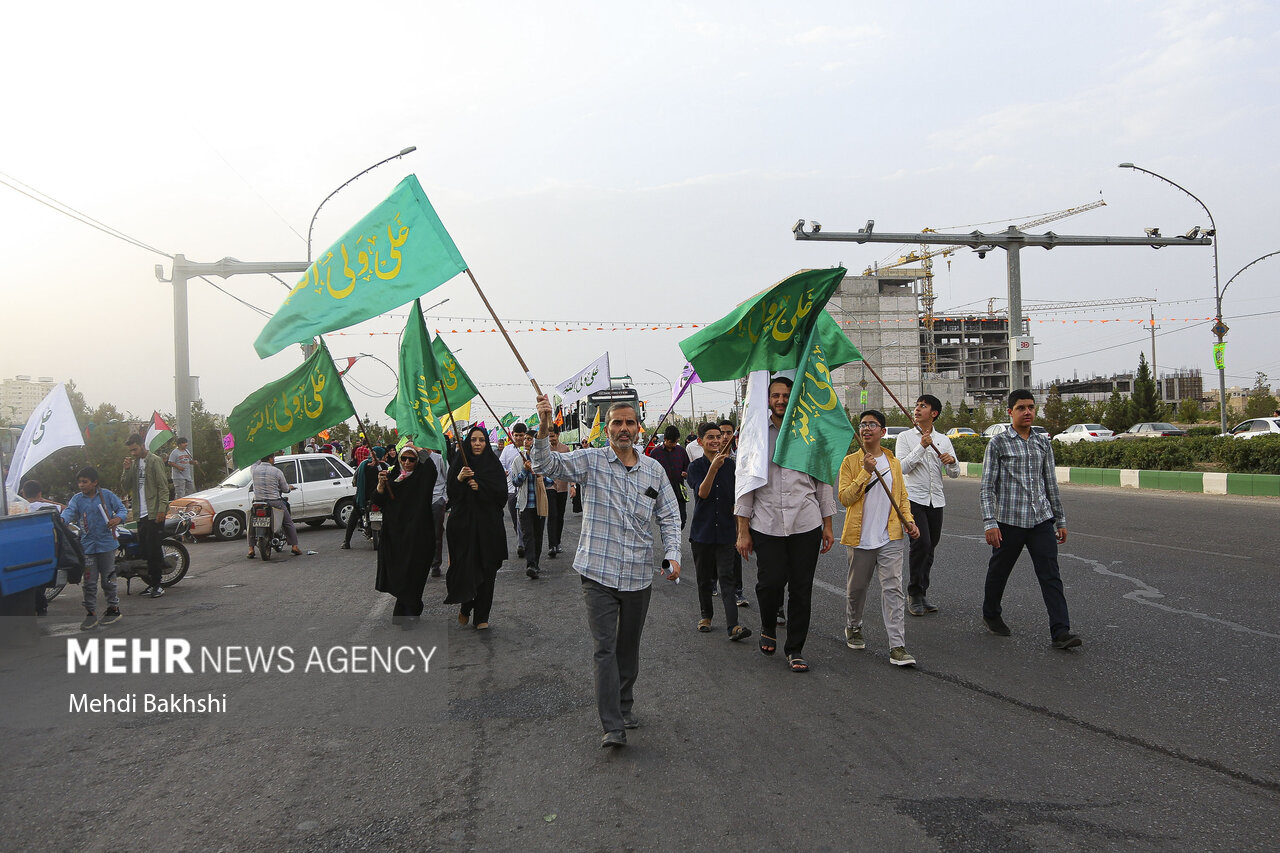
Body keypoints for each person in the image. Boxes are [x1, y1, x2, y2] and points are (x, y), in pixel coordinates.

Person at [531, 393, 681, 749]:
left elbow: (670, 516)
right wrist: (544, 426)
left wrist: (673, 555)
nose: (623, 429)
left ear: (638, 427)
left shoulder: (653, 471)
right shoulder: (591, 461)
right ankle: (612, 724)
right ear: (607, 429)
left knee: (628, 649)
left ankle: (624, 704)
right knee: (605, 648)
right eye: (616, 423)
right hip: (597, 573)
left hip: (637, 575)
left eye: (629, 422)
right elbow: (545, 465)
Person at [734, 376, 835, 674]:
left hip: (806, 520)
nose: (781, 400)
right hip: (766, 522)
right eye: (776, 395)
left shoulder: (810, 433)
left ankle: (795, 648)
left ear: (794, 398)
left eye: (786, 395)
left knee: (802, 589)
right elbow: (745, 484)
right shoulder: (755, 435)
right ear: (767, 399)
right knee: (770, 583)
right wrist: (743, 530)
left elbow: (823, 480)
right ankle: (768, 625)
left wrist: (827, 525)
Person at [980, 390, 1081, 649]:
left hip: (1041, 521)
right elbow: (987, 487)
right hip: (1009, 522)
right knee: (999, 572)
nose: (1027, 412)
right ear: (1010, 412)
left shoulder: (1042, 442)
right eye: (1021, 408)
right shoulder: (998, 443)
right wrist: (990, 522)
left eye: (1031, 407)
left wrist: (1060, 520)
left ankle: (1060, 631)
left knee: (1050, 575)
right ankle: (991, 614)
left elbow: (1050, 483)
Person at [838, 410, 921, 667]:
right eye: (862, 424)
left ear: (882, 431)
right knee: (857, 589)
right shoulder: (851, 462)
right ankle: (853, 625)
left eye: (872, 424)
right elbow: (845, 498)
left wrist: (910, 520)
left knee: (893, 590)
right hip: (860, 538)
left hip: (891, 537)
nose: (866, 428)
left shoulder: (893, 462)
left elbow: (902, 497)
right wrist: (865, 472)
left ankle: (897, 646)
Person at [895, 394, 960, 616]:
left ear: (934, 414)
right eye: (916, 405)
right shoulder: (905, 438)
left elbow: (954, 473)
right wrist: (921, 447)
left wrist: (952, 463)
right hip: (913, 498)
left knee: (931, 545)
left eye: (923, 406)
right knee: (920, 544)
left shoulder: (943, 439)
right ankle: (913, 593)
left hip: (936, 499)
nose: (917, 409)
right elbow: (902, 468)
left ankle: (922, 592)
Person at [687, 422, 752, 641]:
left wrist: (742, 531)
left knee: (727, 579)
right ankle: (706, 616)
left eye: (719, 436)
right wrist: (713, 468)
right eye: (710, 437)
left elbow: (738, 501)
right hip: (702, 533)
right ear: (700, 441)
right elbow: (702, 493)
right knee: (704, 579)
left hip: (725, 533)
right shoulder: (696, 467)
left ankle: (733, 626)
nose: (716, 440)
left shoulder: (732, 467)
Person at [444, 427, 510, 629]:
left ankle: (482, 616)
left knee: (488, 571)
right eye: (473, 440)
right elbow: (451, 497)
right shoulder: (459, 465)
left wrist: (481, 487)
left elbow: (501, 496)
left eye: (481, 440)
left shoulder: (493, 465)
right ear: (468, 442)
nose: (478, 444)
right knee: (468, 570)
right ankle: (466, 605)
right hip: (464, 528)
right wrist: (460, 479)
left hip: (489, 528)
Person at [372, 445, 436, 628]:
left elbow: (431, 468)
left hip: (418, 534)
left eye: (412, 459)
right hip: (395, 535)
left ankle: (410, 610)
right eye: (404, 459)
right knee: (399, 572)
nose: (407, 463)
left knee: (414, 572)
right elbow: (377, 500)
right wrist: (380, 485)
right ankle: (405, 609)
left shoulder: (422, 478)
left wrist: (419, 448)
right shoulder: (391, 476)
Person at [63, 467, 128, 630]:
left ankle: (113, 608)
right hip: (87, 546)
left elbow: (122, 509)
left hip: (107, 545)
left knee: (108, 580)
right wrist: (59, 522)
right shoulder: (77, 500)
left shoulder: (106, 495)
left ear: (95, 482)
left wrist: (117, 519)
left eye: (85, 482)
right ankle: (91, 613)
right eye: (79, 482)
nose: (81, 485)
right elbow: (68, 513)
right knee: (89, 583)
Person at [121, 434, 170, 597]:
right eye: (131, 450)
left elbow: (163, 487)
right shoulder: (134, 464)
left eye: (135, 449)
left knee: (154, 550)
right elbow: (125, 486)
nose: (133, 453)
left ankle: (157, 585)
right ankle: (151, 583)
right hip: (140, 513)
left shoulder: (154, 460)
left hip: (153, 512)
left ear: (142, 445)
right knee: (145, 551)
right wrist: (126, 470)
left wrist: (162, 510)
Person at [511, 431, 555, 579]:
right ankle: (530, 564)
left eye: (529, 439)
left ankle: (535, 562)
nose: (525, 441)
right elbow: (515, 482)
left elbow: (551, 481)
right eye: (525, 439)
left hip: (540, 504)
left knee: (538, 535)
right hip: (524, 505)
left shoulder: (542, 460)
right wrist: (524, 470)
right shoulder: (518, 461)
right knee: (528, 535)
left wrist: (538, 474)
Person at [715, 418, 749, 608]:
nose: (725, 437)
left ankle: (737, 591)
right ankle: (712, 582)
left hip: (736, 513)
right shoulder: (711, 458)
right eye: (722, 434)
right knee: (715, 552)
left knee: (735, 552)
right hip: (715, 514)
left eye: (729, 433)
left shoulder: (742, 458)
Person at [22, 480, 65, 617]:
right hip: (46, 547)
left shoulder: (21, 507)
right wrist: (44, 500)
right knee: (41, 578)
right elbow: (65, 508)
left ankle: (32, 606)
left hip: (26, 548)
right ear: (40, 493)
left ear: (23, 493)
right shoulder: (47, 506)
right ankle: (41, 608)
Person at [247, 451, 302, 558]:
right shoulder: (277, 472)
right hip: (275, 502)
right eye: (273, 457)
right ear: (271, 459)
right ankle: (294, 546)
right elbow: (285, 489)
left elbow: (255, 462)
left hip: (258, 503)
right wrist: (289, 488)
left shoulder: (254, 470)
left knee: (251, 523)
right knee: (288, 522)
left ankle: (250, 549)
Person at [341, 445, 384, 549]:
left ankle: (347, 542)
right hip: (380, 498)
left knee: (354, 516)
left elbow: (354, 481)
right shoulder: (385, 466)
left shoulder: (363, 465)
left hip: (363, 498)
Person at [649, 425, 691, 528]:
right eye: (672, 442)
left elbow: (688, 466)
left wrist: (686, 473)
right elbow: (649, 472)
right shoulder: (655, 453)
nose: (674, 444)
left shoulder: (681, 451)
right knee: (666, 521)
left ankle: (676, 538)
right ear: (666, 439)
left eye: (676, 442)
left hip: (679, 490)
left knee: (682, 519)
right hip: (662, 492)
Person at [499, 423, 528, 557]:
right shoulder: (507, 450)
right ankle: (520, 538)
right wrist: (503, 471)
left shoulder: (528, 449)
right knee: (515, 518)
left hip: (525, 489)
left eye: (521, 435)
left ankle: (522, 543)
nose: (518, 438)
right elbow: (501, 464)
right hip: (511, 489)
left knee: (524, 517)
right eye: (516, 435)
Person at [545, 426, 572, 558]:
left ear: (558, 435)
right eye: (549, 436)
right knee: (552, 515)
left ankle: (558, 542)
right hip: (549, 486)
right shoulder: (545, 449)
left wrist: (573, 486)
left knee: (560, 516)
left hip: (562, 486)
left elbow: (570, 468)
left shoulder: (565, 449)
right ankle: (552, 545)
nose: (551, 439)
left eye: (553, 436)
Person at [426, 446, 448, 577]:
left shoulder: (439, 459)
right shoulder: (415, 458)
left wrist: (444, 497)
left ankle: (436, 564)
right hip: (421, 501)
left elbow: (447, 477)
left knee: (436, 534)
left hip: (437, 500)